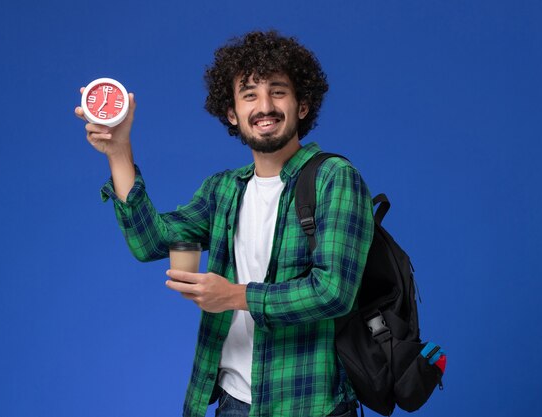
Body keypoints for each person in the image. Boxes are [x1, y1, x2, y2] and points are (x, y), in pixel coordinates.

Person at [75, 30, 374, 417]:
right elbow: (150, 242)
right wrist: (118, 152)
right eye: (249, 94)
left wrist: (232, 296)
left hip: (307, 404)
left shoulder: (334, 178)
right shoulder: (223, 190)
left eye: (278, 91)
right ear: (232, 113)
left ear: (302, 105)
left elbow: (333, 291)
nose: (264, 106)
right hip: (231, 403)